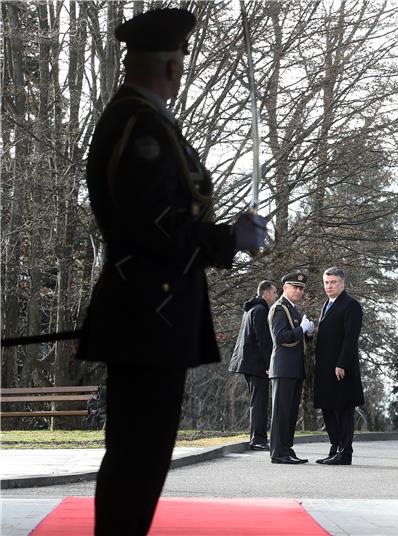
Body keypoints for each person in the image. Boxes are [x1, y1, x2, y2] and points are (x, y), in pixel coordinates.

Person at [75, 8, 266, 535]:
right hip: (147, 311)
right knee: (140, 453)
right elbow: (157, 227)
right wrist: (230, 238)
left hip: (151, 310)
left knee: (143, 453)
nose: (183, 71)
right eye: (181, 60)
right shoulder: (139, 126)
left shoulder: (142, 120)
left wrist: (224, 233)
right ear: (172, 66)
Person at [313, 267, 365, 465]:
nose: (329, 286)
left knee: (343, 410)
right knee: (328, 408)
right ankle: (335, 447)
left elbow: (350, 338)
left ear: (342, 284)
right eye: (326, 282)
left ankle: (345, 452)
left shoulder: (351, 305)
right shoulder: (327, 304)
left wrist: (342, 363)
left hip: (342, 368)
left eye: (333, 282)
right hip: (325, 368)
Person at [269, 271, 315, 464]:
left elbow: (295, 337)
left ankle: (286, 448)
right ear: (285, 287)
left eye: (301, 288)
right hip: (283, 367)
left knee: (290, 413)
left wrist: (308, 333)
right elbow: (280, 338)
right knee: (281, 412)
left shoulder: (292, 309)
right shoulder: (280, 308)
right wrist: (301, 330)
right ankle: (279, 453)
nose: (299, 291)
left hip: (293, 368)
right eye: (295, 287)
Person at [229, 280, 279, 451]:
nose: (276, 295)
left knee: (257, 401)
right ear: (265, 293)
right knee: (259, 402)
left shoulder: (253, 309)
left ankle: (257, 437)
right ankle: (257, 439)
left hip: (250, 363)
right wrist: (270, 364)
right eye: (274, 292)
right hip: (256, 365)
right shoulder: (260, 310)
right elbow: (263, 341)